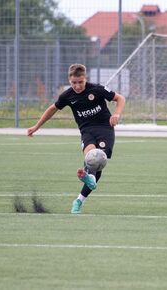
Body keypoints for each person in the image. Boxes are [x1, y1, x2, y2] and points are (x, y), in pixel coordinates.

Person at [27, 64, 125, 214]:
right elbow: (52, 109)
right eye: (74, 83)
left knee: (98, 160)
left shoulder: (96, 89)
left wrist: (116, 114)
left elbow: (120, 98)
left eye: (80, 82)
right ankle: (86, 180)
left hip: (105, 129)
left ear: (85, 79)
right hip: (87, 131)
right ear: (69, 80)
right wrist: (36, 126)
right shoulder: (67, 96)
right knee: (91, 158)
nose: (77, 86)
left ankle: (80, 198)